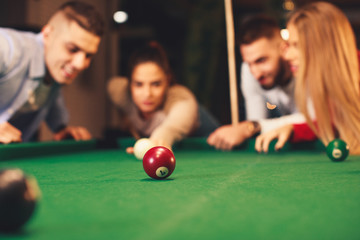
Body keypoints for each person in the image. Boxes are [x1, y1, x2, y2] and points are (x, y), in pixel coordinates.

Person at [255, 1, 360, 154]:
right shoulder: (329, 83)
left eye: (296, 45)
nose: (287, 55)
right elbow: (333, 123)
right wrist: (293, 130)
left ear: (322, 47)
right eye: (288, 45)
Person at [0, 1, 104, 144]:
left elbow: (48, 97)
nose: (80, 64)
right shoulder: (7, 48)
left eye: (88, 55)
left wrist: (62, 129)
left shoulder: (54, 74)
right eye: (72, 49)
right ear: (47, 34)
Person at [207, 14, 304, 150]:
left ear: (283, 49)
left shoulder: (302, 65)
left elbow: (314, 120)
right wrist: (249, 128)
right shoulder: (249, 71)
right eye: (249, 63)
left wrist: (251, 127)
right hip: (279, 118)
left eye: (261, 60)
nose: (255, 73)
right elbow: (256, 122)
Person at [107, 41, 218, 152]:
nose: (147, 94)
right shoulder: (121, 93)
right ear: (129, 83)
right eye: (139, 84)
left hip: (208, 142)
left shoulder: (182, 100)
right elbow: (111, 85)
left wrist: (156, 141)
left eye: (156, 84)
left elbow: (171, 128)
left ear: (167, 81)